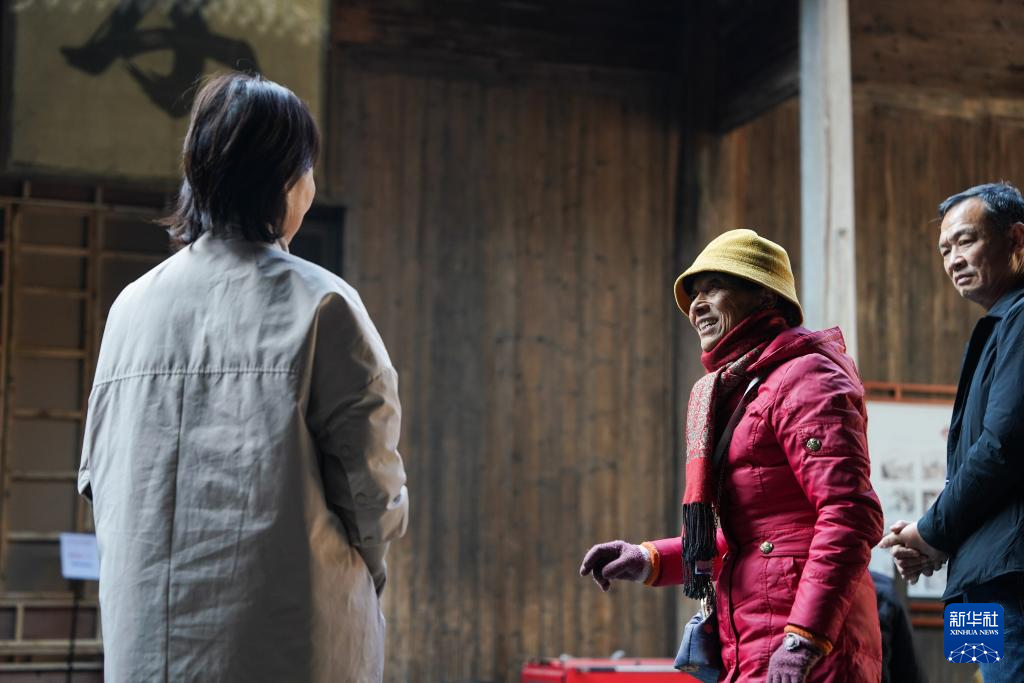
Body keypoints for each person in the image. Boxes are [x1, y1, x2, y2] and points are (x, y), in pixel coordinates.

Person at [77, 72, 409, 682]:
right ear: (286, 180)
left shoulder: (130, 308)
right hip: (289, 640)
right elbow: (372, 491)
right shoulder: (323, 304)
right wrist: (367, 576)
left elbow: (97, 479)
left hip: (148, 646)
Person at [579, 229, 884, 683]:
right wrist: (647, 559)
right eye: (694, 294)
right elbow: (753, 539)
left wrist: (803, 638)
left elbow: (850, 513)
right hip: (756, 640)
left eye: (714, 288)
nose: (697, 305)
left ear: (765, 295)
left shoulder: (807, 376)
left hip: (809, 646)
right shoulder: (744, 389)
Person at [881, 181, 1024, 683]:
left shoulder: (1021, 317)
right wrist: (936, 541)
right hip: (970, 581)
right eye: (945, 249)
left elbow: (1003, 448)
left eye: (966, 240)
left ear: (1016, 239)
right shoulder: (993, 327)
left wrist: (929, 532)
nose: (954, 259)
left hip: (1007, 580)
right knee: (978, 676)